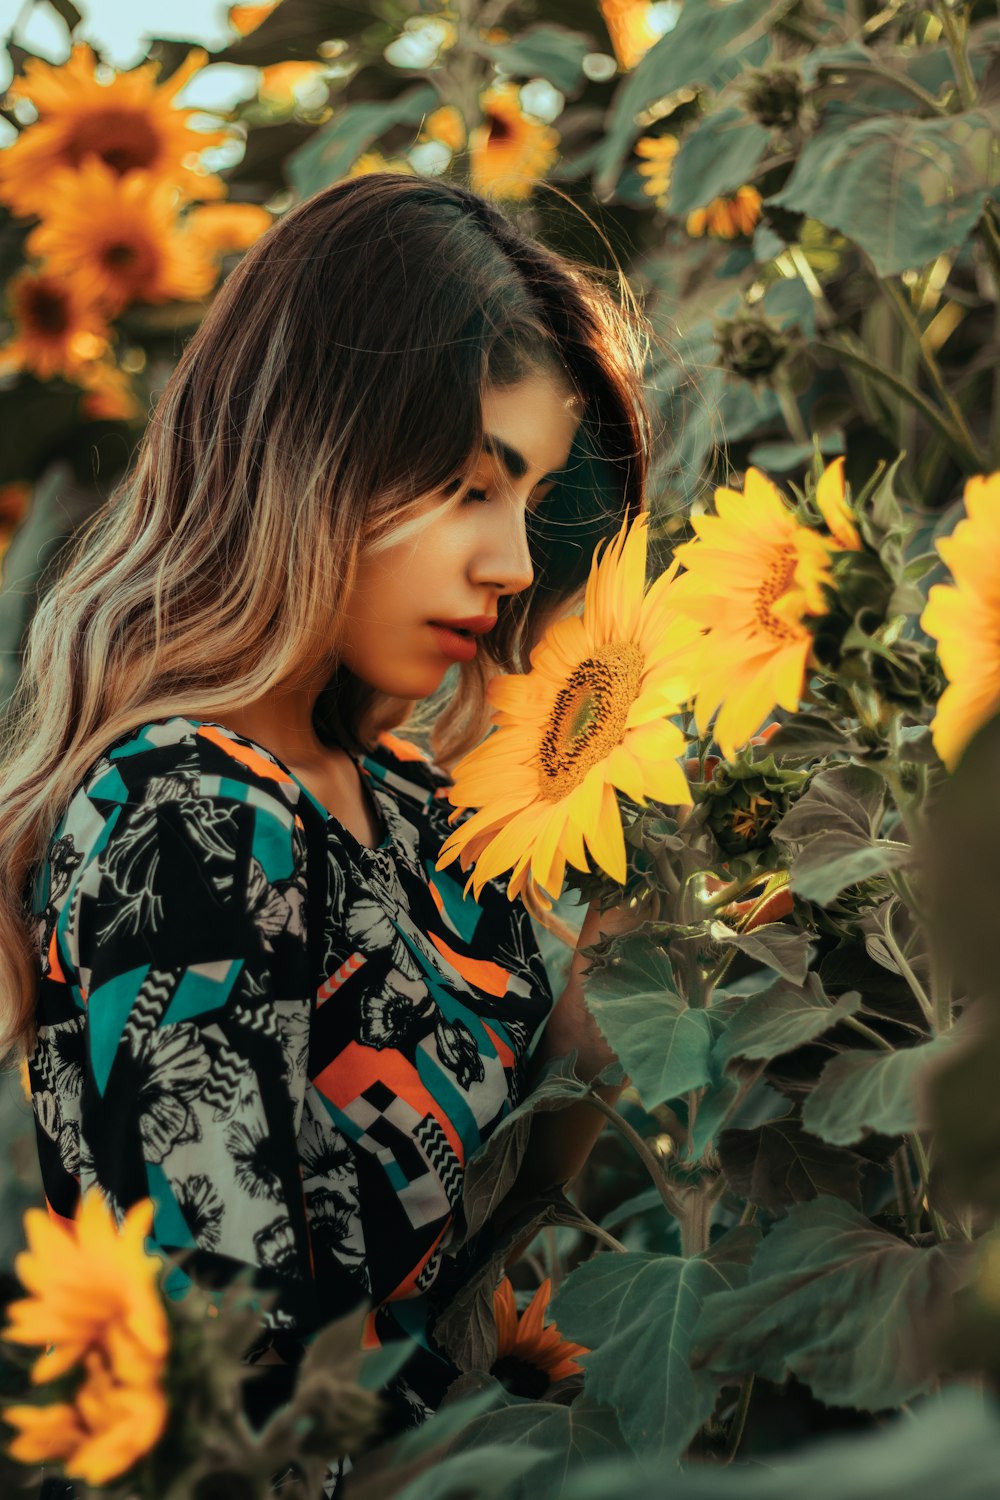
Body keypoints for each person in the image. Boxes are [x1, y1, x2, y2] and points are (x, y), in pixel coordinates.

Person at [0, 173, 649, 1496]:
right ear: (317, 458)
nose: (514, 562)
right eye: (471, 487)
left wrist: (589, 1056)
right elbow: (253, 1418)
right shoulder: (182, 812)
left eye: (526, 501)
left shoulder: (408, 794)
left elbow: (467, 1252)